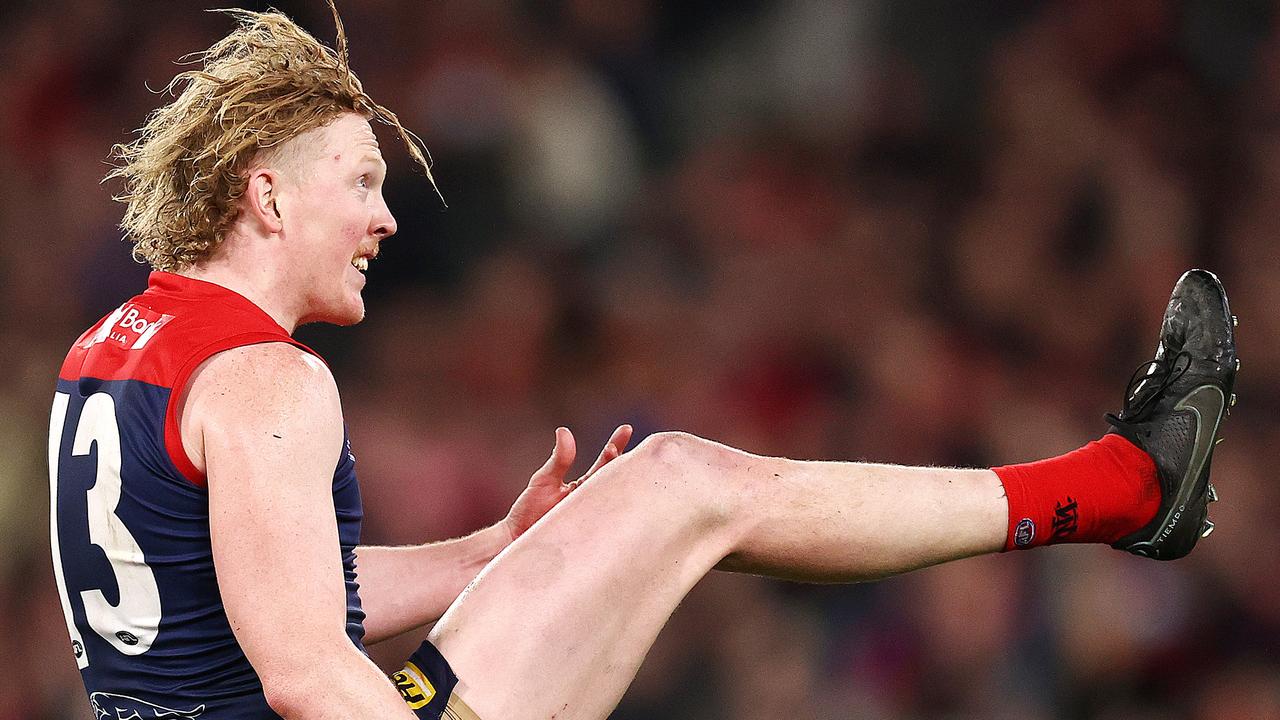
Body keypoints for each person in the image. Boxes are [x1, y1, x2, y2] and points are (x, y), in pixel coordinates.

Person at [47, 5, 1239, 720]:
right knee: (681, 485)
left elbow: (252, 596)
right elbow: (307, 674)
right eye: (361, 183)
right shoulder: (269, 381)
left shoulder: (108, 355)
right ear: (266, 194)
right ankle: (1122, 487)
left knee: (671, 486)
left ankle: (1123, 485)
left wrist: (485, 555)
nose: (386, 219)